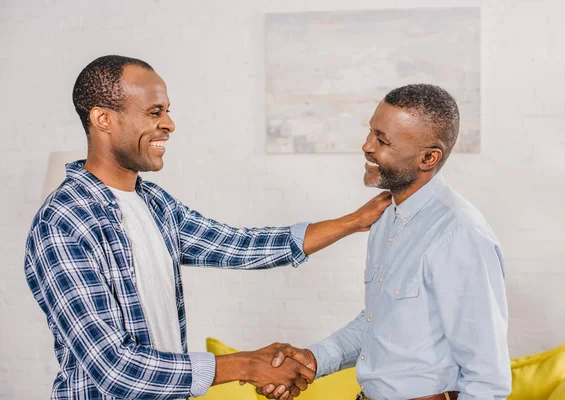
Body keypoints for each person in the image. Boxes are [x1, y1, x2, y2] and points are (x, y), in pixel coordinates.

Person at [24, 55, 391, 400]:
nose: (169, 124)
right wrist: (246, 365)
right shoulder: (63, 222)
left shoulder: (154, 203)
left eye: (167, 111)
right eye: (155, 112)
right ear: (103, 119)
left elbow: (239, 246)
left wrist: (353, 222)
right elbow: (114, 366)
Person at [260, 84, 512, 400]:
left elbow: (487, 380)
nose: (366, 146)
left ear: (429, 158)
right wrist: (316, 358)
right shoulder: (385, 217)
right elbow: (380, 321)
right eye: (371, 132)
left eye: (382, 140)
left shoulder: (461, 234)